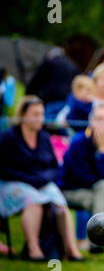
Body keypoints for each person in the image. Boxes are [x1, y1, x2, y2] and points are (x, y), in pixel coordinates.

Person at [0, 95, 84, 261]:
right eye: (35, 114)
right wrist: (32, 179)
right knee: (34, 202)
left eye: (41, 113)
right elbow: (3, 169)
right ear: (23, 115)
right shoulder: (9, 137)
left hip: (41, 183)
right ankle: (34, 249)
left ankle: (71, 250)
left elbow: (54, 167)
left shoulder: (44, 137)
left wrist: (42, 179)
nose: (40, 118)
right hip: (13, 184)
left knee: (60, 203)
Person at [59, 102, 104, 263]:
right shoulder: (79, 142)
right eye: (99, 119)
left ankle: (98, 241)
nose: (103, 124)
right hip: (70, 190)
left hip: (97, 190)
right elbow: (81, 176)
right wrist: (103, 161)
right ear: (92, 121)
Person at [26, 47, 81, 119]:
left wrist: (28, 94)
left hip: (51, 99)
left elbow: (37, 79)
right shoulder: (72, 65)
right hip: (67, 100)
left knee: (46, 121)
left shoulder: (50, 62)